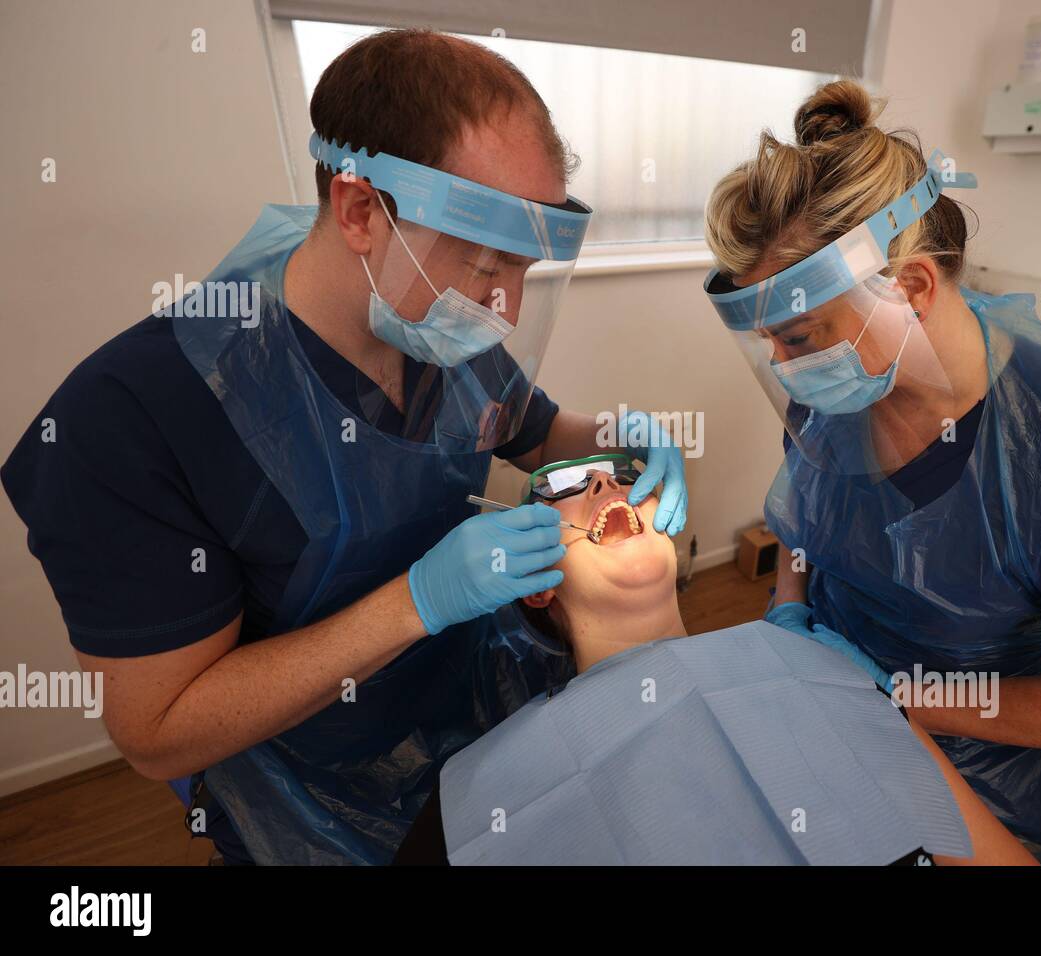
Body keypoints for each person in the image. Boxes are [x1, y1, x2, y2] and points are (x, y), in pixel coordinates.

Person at [1, 30, 687, 865]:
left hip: (479, 722)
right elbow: (159, 733)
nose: (504, 310)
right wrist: (415, 601)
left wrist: (626, 434)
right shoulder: (130, 416)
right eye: (486, 267)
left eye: (526, 274)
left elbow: (533, 431)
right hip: (317, 795)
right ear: (360, 211)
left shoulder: (443, 327)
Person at [700, 80, 1041, 864]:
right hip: (828, 704)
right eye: (769, 342)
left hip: (984, 773)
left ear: (909, 287)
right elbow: (806, 524)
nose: (783, 366)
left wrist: (903, 702)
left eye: (800, 336)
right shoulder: (831, 396)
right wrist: (790, 609)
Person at [393, 456, 1037, 866]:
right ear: (537, 583)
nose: (605, 482)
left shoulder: (818, 668)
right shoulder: (484, 791)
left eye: (627, 473)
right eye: (563, 483)